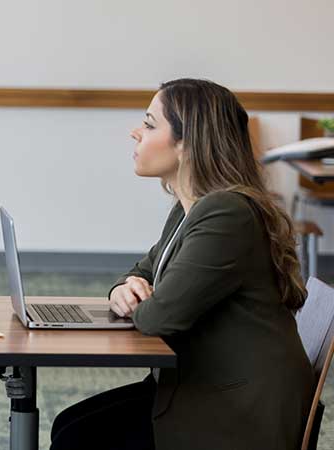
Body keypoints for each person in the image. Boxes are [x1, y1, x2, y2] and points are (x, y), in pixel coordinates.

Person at [50, 79, 314, 450]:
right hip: (199, 382)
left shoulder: (226, 214)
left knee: (77, 439)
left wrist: (140, 300)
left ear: (187, 144)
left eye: (149, 124)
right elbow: (142, 271)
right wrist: (123, 288)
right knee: (69, 426)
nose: (135, 133)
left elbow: (160, 318)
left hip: (239, 410)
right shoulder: (189, 207)